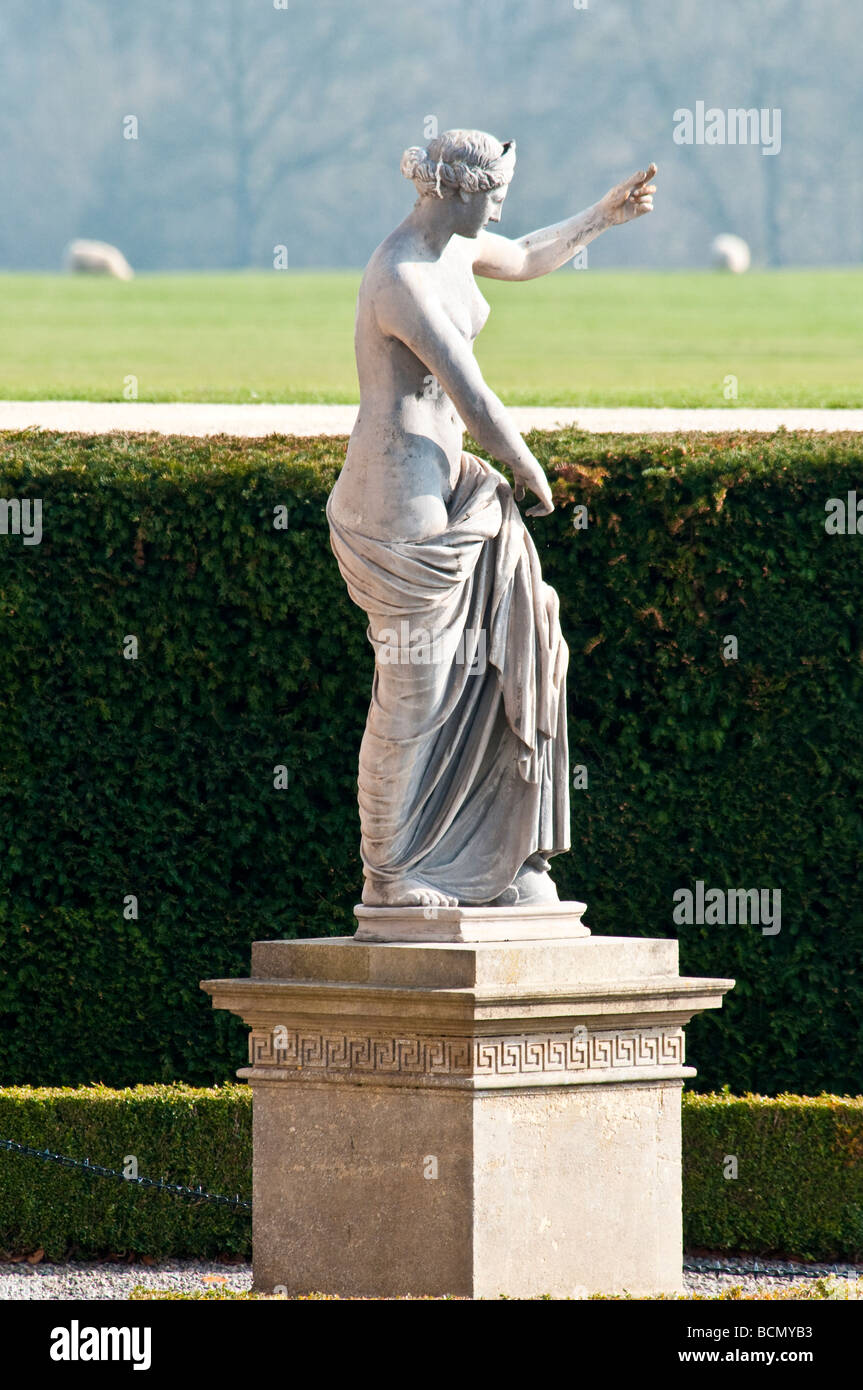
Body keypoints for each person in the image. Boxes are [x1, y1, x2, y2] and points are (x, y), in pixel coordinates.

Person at [327, 129, 657, 909]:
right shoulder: (400, 274)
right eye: (493, 197)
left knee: (506, 650)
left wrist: (602, 217)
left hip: (450, 483)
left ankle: (487, 862)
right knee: (415, 688)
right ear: (452, 190)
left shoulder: (455, 248)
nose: (499, 212)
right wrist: (528, 465)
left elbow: (531, 254)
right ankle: (389, 874)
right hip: (396, 496)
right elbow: (468, 391)